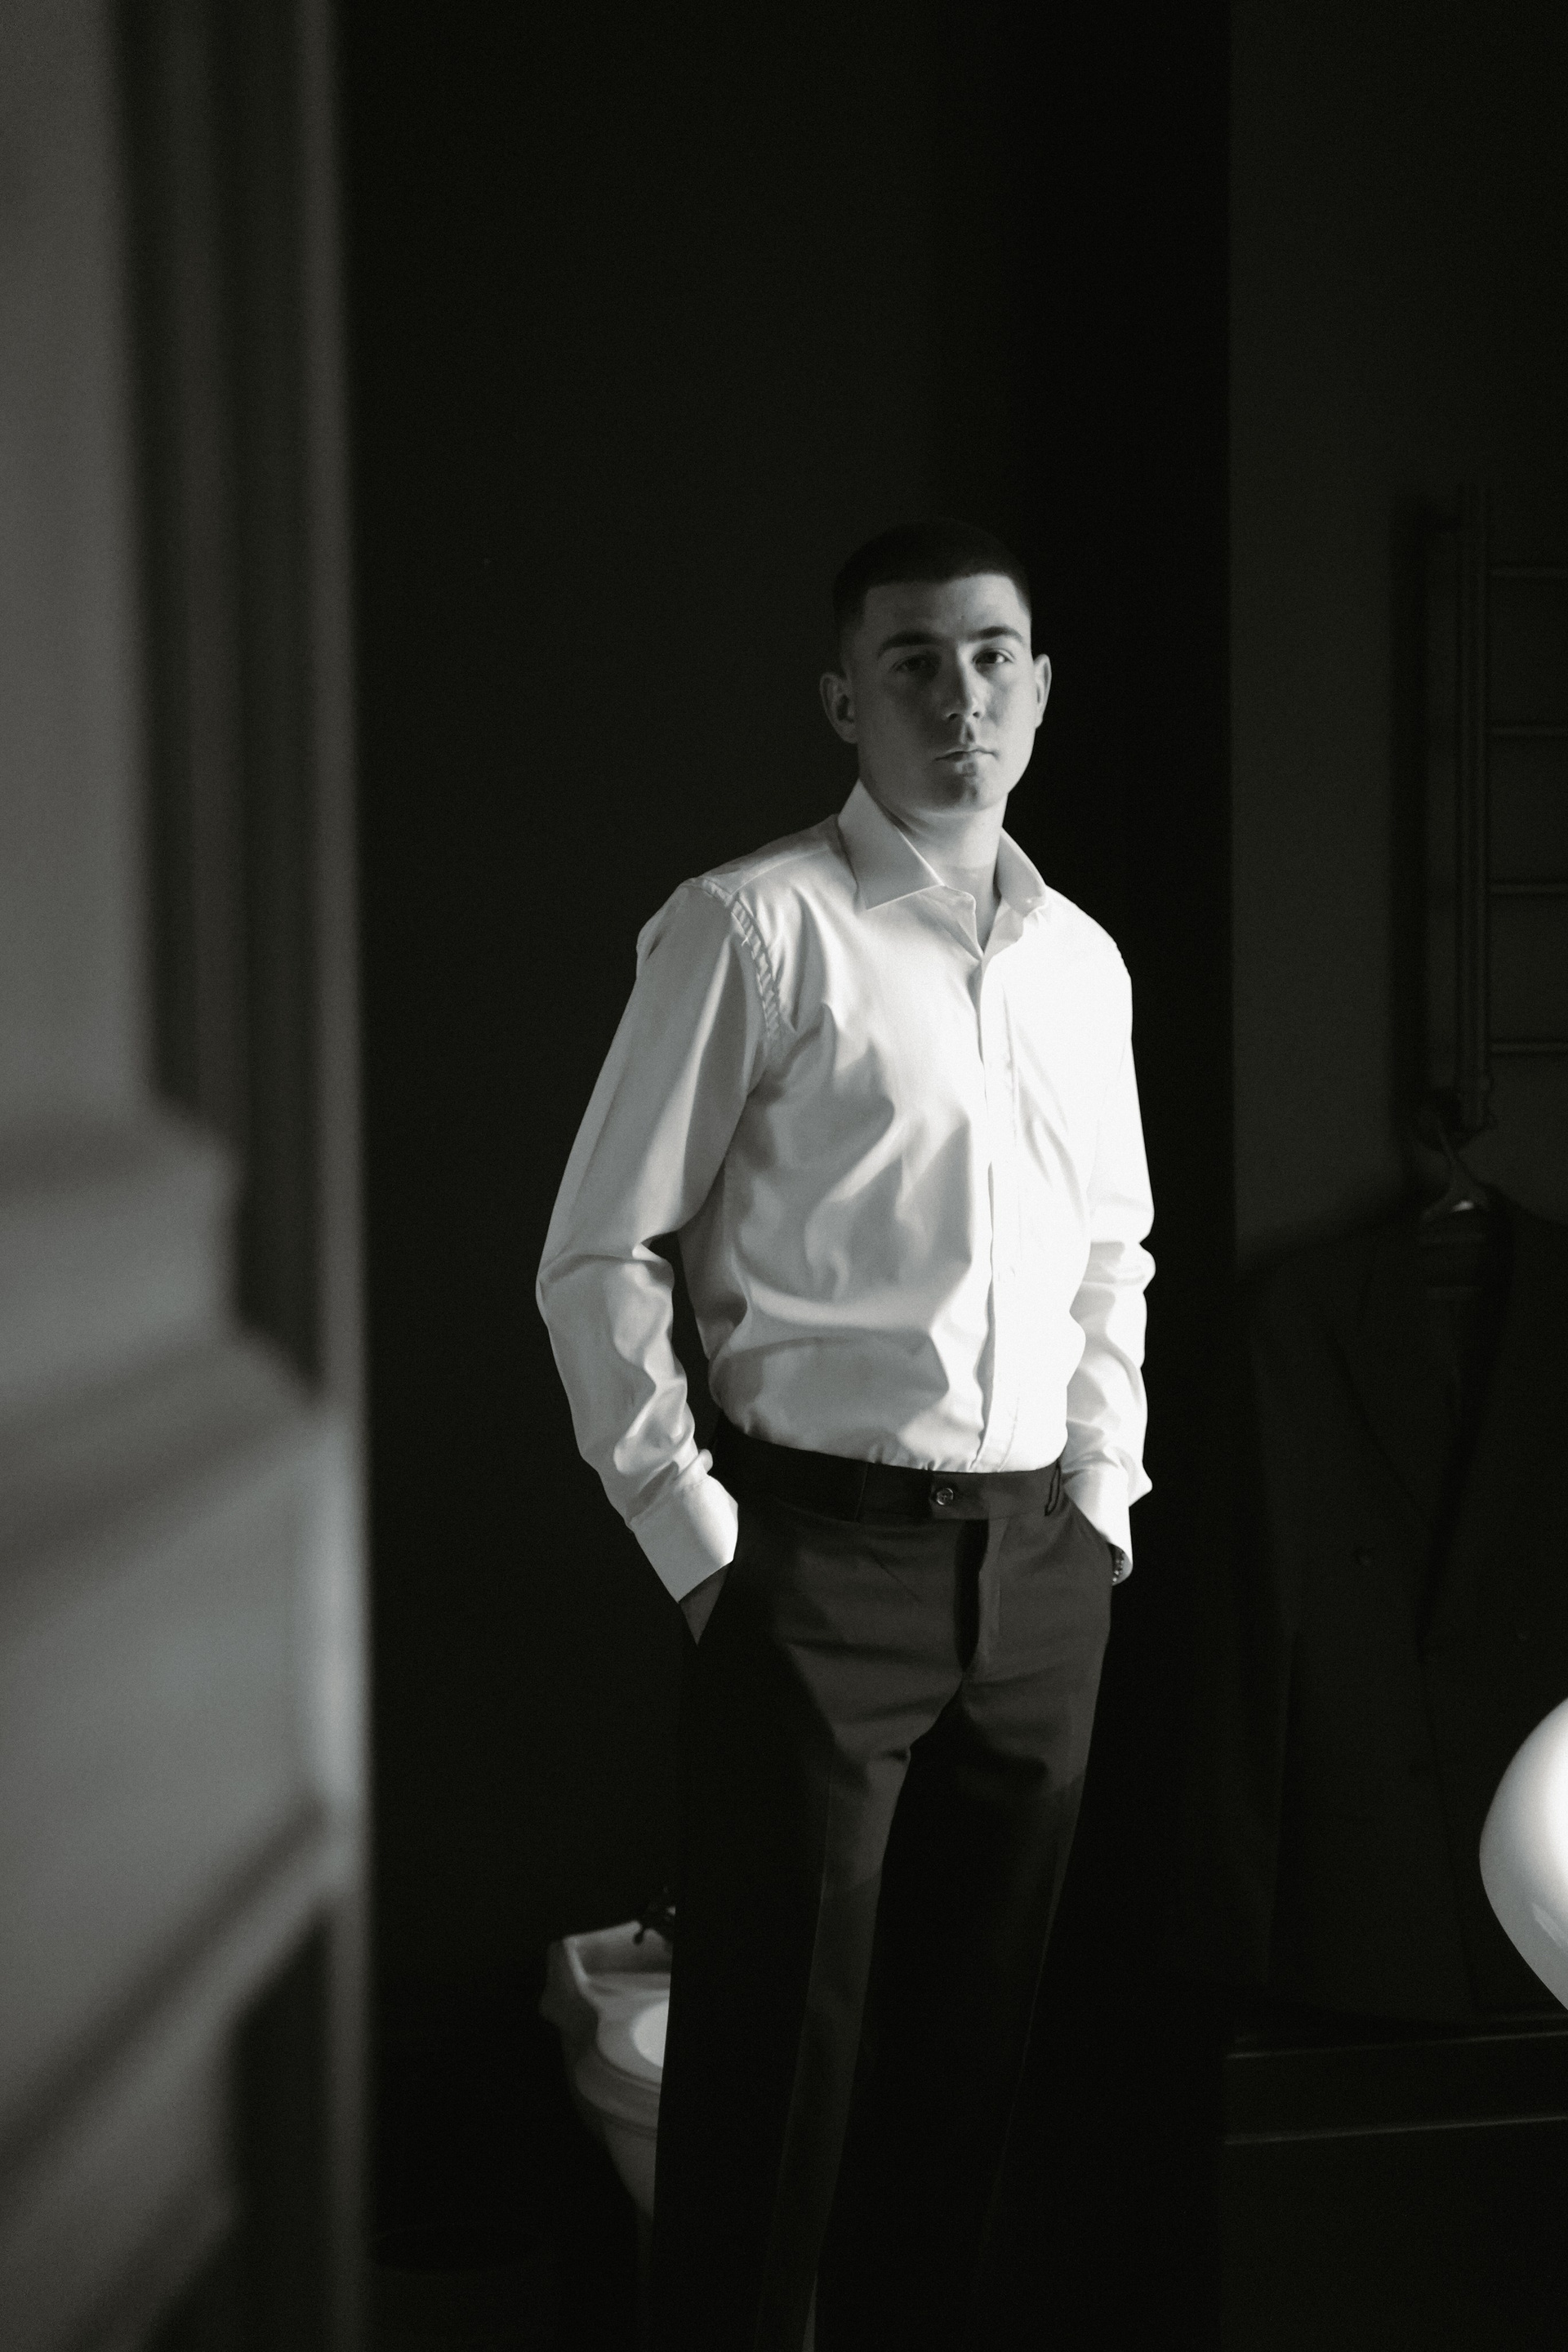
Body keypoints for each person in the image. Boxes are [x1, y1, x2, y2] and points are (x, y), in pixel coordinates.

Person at [537, 517, 1154, 2351]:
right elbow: (597, 1255)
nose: (961, 698)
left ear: (1040, 688)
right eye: (914, 663)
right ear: (842, 702)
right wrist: (700, 1546)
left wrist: (1102, 1499)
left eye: (992, 657)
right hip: (816, 1571)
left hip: (1040, 1579)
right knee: (767, 2100)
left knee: (963, 2092)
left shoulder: (1086, 965)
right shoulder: (752, 927)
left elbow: (1113, 1253)